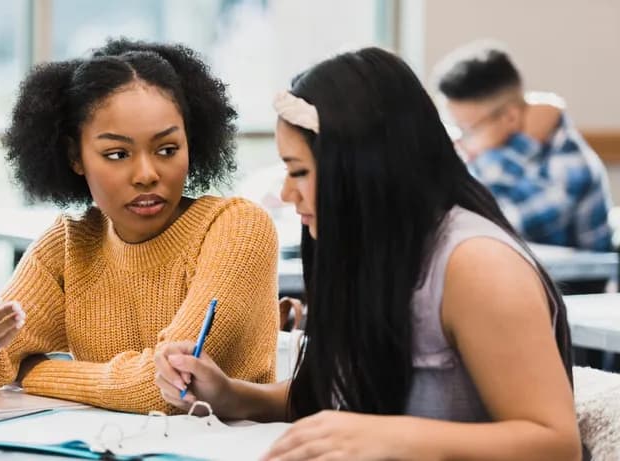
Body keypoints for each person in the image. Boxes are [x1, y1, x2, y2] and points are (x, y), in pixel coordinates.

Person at [155, 47, 582, 460]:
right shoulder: (377, 249)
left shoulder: (477, 265)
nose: (286, 194)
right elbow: (338, 400)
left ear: (362, 166)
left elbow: (555, 445)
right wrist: (231, 395)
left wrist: (394, 436)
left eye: (299, 171)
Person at [0, 38, 279, 414]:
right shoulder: (70, 244)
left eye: (167, 149)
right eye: (117, 154)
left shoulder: (237, 228)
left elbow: (164, 390)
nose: (147, 174)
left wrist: (33, 373)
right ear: (74, 157)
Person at [435, 41, 613, 252]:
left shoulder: (571, 162)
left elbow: (500, 225)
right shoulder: (498, 146)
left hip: (580, 282)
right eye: (452, 128)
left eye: (467, 130)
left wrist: (484, 159)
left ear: (510, 117)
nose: (458, 142)